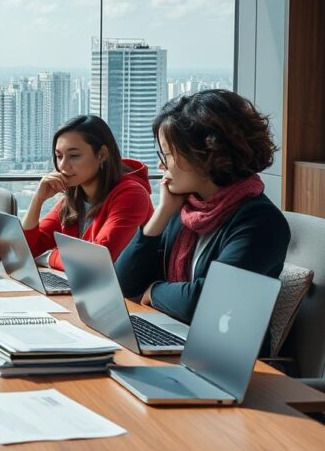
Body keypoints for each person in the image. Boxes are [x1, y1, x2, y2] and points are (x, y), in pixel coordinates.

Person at [115, 89, 289, 324]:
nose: (160, 164)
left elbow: (210, 302)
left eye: (167, 154)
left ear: (206, 155)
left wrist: (154, 291)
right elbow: (124, 283)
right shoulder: (186, 210)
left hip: (229, 354)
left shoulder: (261, 223)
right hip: (174, 334)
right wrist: (162, 214)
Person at [0, 115, 153, 270]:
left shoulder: (132, 196)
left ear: (101, 154)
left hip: (128, 300)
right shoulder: (76, 194)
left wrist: (48, 256)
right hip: (86, 289)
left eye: (74, 156)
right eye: (59, 156)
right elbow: (30, 246)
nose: (63, 165)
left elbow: (96, 261)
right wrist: (38, 200)